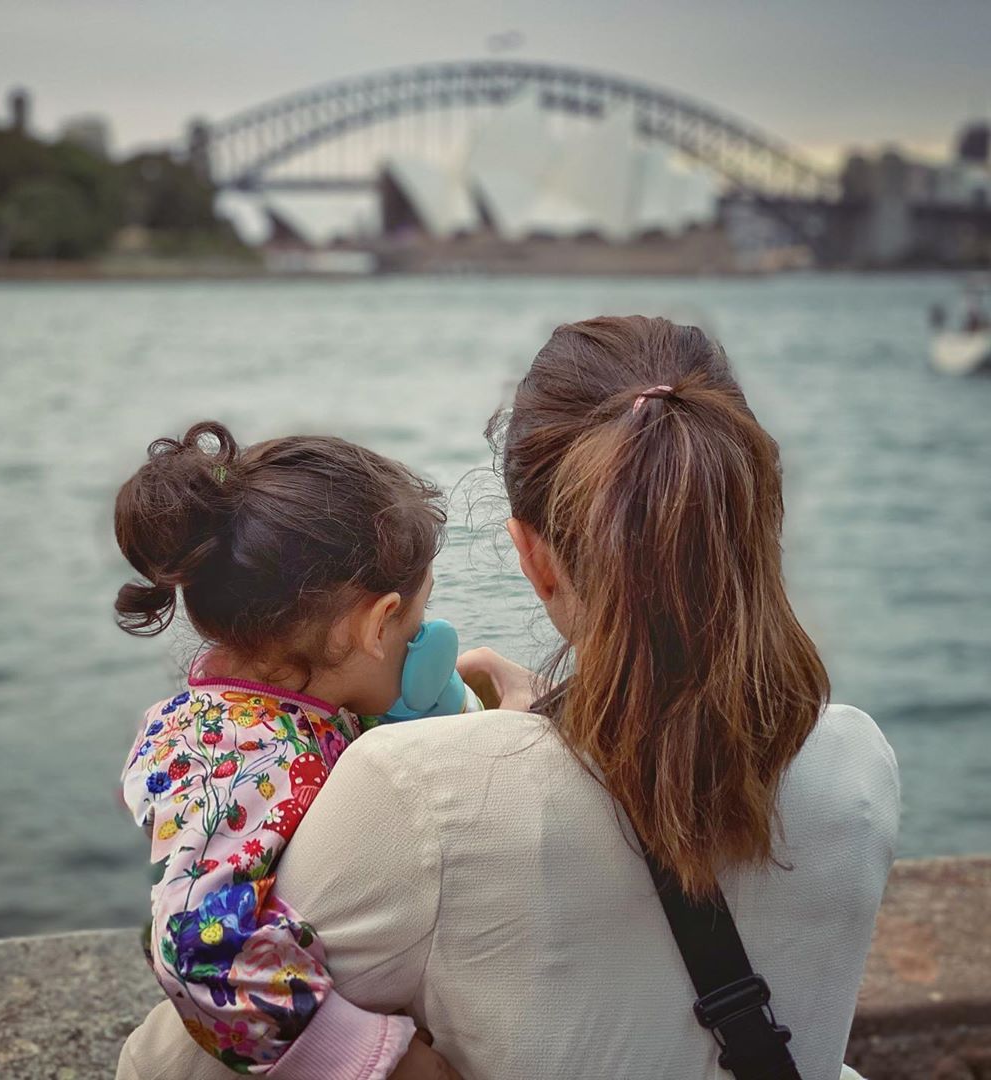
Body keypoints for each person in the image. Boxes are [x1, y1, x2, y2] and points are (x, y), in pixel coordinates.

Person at [118, 317, 900, 1080]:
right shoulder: (861, 763)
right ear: (754, 514)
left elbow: (172, 1055)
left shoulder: (411, 792)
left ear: (532, 553)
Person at [114, 421, 460, 1078]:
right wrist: (377, 1059)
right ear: (376, 624)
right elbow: (199, 951)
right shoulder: (261, 759)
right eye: (415, 631)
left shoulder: (245, 717)